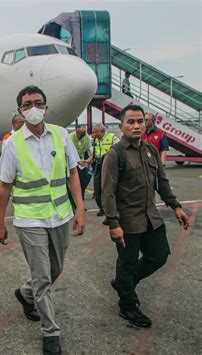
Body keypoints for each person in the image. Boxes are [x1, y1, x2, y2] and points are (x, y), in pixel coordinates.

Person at [0, 85, 85, 355]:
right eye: (26, 104)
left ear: (46, 106)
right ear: (20, 111)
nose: (33, 108)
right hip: (29, 220)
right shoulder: (12, 144)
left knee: (55, 268)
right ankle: (51, 332)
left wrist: (80, 210)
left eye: (37, 102)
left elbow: (72, 174)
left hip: (59, 216)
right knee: (43, 277)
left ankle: (25, 293)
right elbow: (4, 187)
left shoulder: (60, 135)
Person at [102, 104, 189, 328]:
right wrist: (113, 223)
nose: (136, 126)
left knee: (159, 255)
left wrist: (176, 206)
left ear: (145, 124)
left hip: (151, 217)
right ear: (121, 126)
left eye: (140, 121)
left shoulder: (150, 149)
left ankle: (124, 284)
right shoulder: (115, 155)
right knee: (127, 264)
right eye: (130, 122)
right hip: (128, 222)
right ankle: (128, 305)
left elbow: (162, 182)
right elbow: (108, 192)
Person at [89, 123, 118, 216]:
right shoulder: (96, 140)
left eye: (95, 132)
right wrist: (88, 160)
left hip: (109, 166)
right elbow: (94, 153)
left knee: (109, 188)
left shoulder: (113, 138)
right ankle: (102, 208)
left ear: (102, 131)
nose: (94, 134)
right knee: (97, 188)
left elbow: (119, 151)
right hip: (98, 165)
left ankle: (111, 208)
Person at [69, 125, 93, 209]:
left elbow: (91, 152)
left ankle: (80, 205)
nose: (80, 136)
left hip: (82, 165)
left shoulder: (87, 138)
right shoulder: (69, 137)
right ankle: (72, 205)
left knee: (82, 185)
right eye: (79, 134)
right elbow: (68, 153)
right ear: (76, 131)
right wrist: (79, 161)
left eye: (82, 135)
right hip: (71, 165)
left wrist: (88, 160)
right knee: (71, 186)